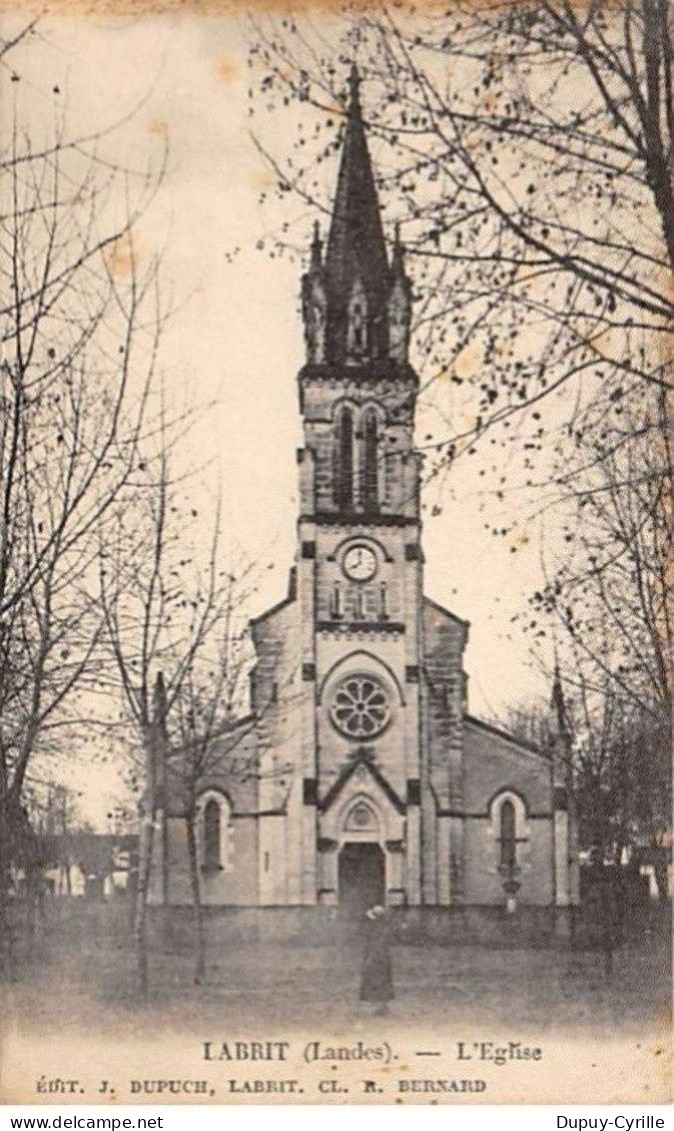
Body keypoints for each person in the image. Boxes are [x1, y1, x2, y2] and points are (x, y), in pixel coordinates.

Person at [359, 904, 394, 1014]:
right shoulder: (379, 925)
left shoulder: (378, 926)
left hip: (377, 955)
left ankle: (379, 1005)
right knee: (377, 977)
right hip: (378, 955)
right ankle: (378, 1004)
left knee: (376, 978)